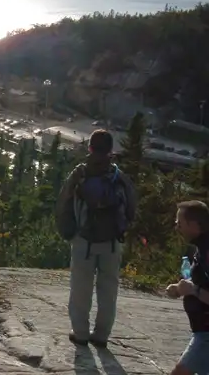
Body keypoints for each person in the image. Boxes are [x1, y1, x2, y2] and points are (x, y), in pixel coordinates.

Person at [55, 129, 137, 347]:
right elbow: (131, 207)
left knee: (81, 288)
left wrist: (68, 232)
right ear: (111, 150)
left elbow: (63, 203)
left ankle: (80, 332)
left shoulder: (80, 173)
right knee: (108, 290)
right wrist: (123, 228)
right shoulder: (118, 175)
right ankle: (101, 335)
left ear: (90, 148)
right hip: (111, 242)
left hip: (84, 240)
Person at [167, 200, 209, 375]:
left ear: (193, 225)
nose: (176, 227)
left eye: (179, 223)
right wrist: (179, 288)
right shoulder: (201, 247)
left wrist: (192, 290)